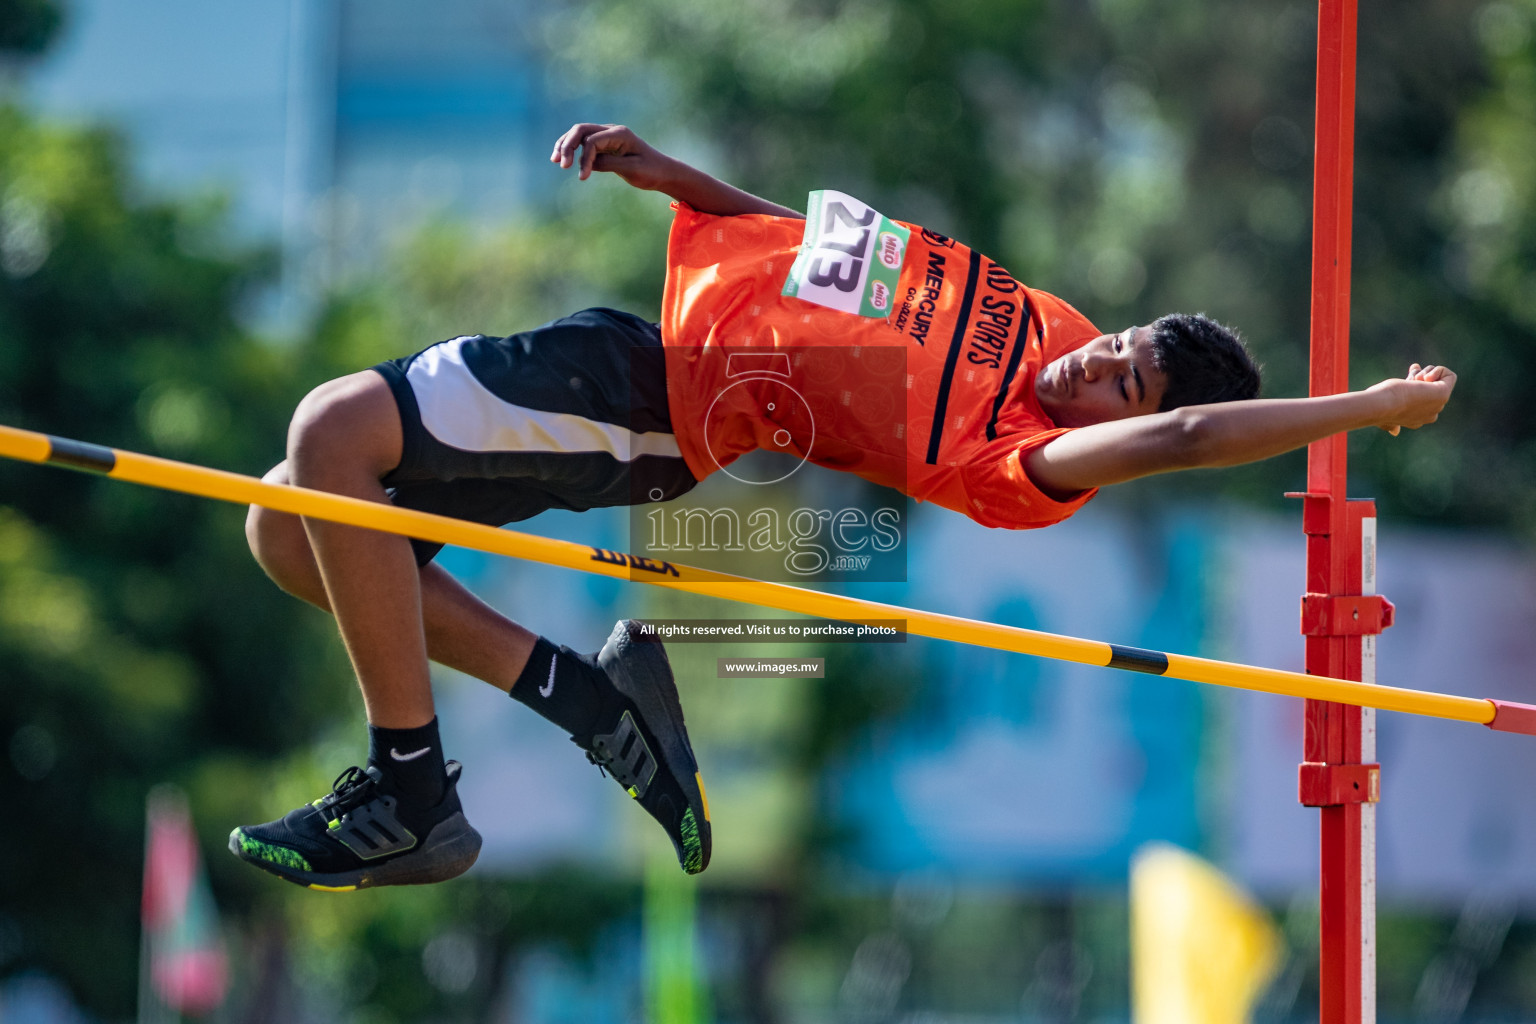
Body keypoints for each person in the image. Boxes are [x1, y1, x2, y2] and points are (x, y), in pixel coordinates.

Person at [232, 123, 1457, 891]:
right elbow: (841, 267)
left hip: (654, 401)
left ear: (1118, 428)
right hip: (641, 336)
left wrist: (1366, 408)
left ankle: (413, 792)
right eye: (1117, 347)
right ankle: (580, 692)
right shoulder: (1049, 323)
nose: (1091, 369)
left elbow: (1189, 433)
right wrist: (684, 182)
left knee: (332, 430)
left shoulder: (1020, 465)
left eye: (1116, 386)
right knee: (291, 528)